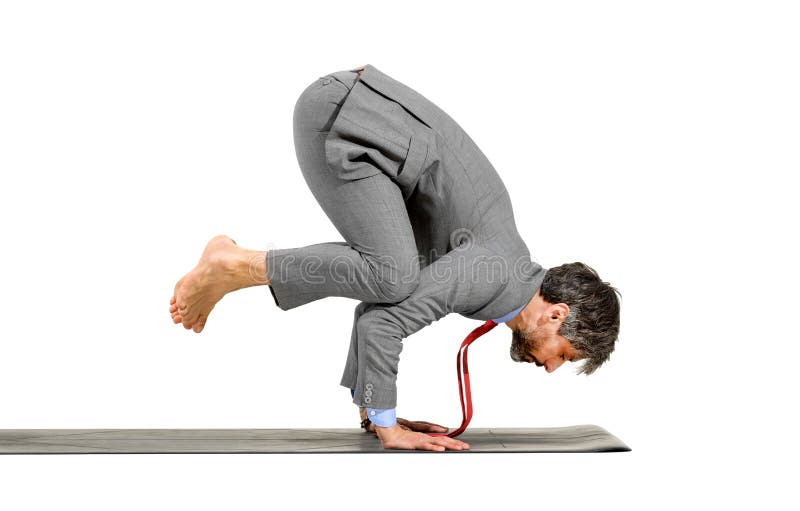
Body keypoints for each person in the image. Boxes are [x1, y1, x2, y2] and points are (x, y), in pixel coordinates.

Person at [169, 64, 621, 452]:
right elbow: (384, 321)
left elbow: (377, 311)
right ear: (556, 314)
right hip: (346, 121)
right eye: (563, 353)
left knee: (391, 277)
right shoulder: (495, 273)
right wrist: (389, 427)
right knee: (393, 275)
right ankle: (233, 263)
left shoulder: (500, 268)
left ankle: (234, 263)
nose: (551, 366)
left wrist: (376, 413)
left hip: (354, 116)